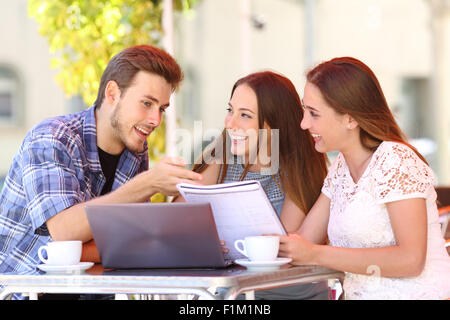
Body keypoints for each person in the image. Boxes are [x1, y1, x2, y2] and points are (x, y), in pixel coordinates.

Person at [0, 45, 203, 298]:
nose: (155, 120)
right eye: (146, 103)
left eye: (161, 108)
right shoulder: (52, 138)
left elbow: (135, 241)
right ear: (112, 93)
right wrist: (147, 184)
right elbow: (64, 232)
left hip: (93, 290)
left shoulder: (134, 149)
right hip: (25, 292)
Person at [278, 57, 450, 299]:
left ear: (350, 119)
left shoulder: (395, 160)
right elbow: (305, 241)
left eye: (313, 113)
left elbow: (411, 261)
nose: (304, 123)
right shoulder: (341, 168)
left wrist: (315, 253)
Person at [176, 71, 330, 299]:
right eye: (230, 111)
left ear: (273, 123)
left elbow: (279, 250)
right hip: (233, 291)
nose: (231, 123)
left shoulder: (296, 169)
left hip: (285, 294)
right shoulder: (224, 157)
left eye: (245, 115)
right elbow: (178, 217)